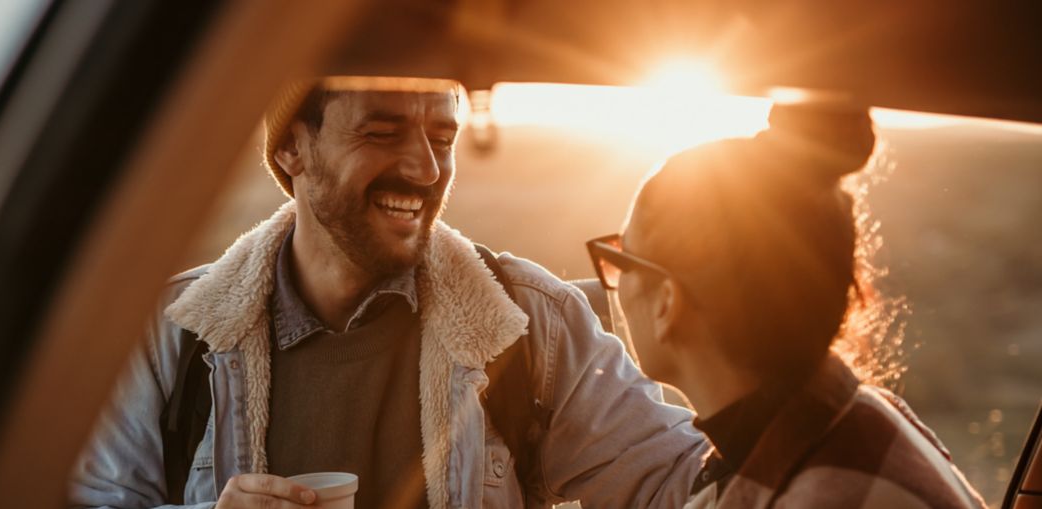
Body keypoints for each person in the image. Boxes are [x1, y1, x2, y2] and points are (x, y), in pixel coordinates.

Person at [70, 77, 707, 509]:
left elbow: (684, 485)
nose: (427, 169)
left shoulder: (529, 322)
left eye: (442, 137)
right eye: (382, 132)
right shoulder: (172, 335)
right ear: (292, 146)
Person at [587, 101, 986, 508]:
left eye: (621, 260)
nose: (614, 281)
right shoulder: (859, 421)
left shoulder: (816, 495)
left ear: (666, 305)